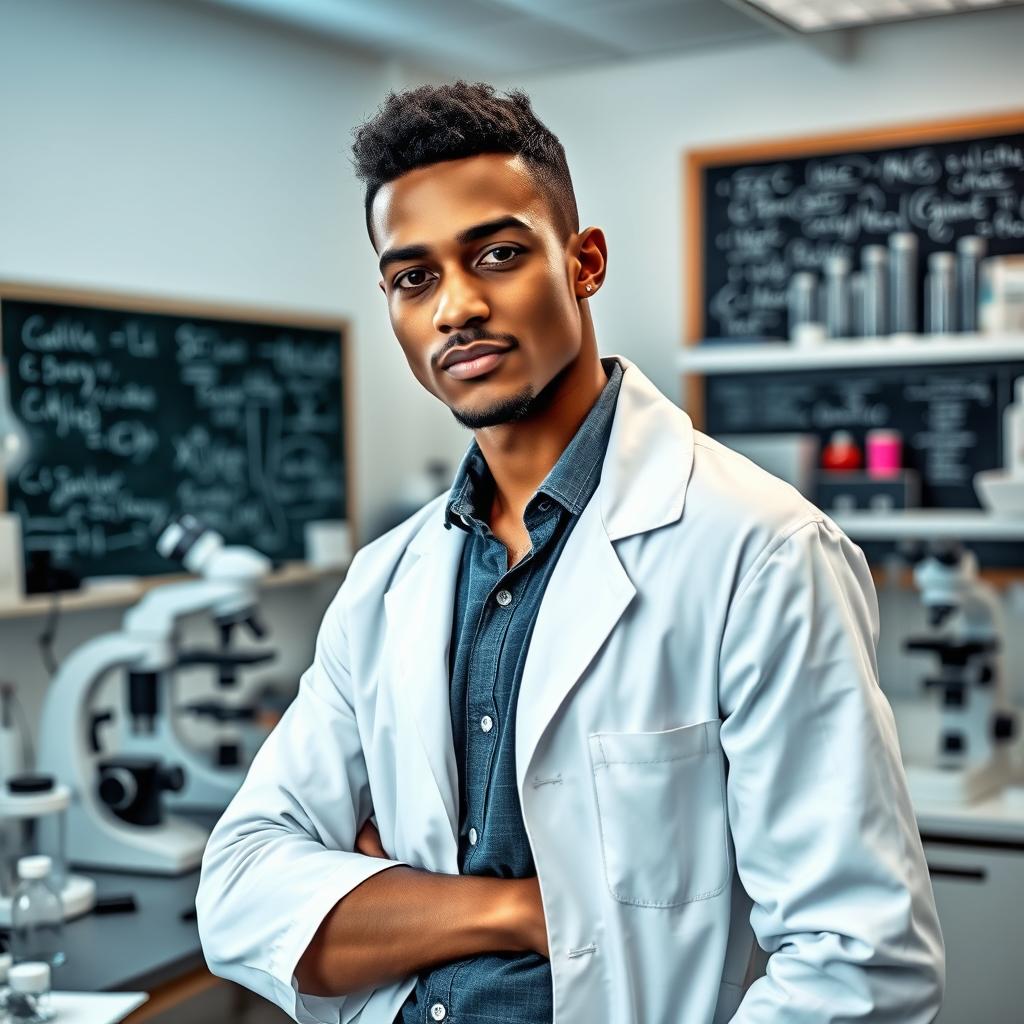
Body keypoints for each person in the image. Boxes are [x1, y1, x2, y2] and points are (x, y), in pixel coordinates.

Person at [196, 81, 944, 1024]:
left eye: (498, 255)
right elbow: (239, 897)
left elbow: (859, 963)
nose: (455, 308)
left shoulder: (759, 550)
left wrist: (395, 895)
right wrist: (518, 909)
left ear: (584, 263)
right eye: (413, 277)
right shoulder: (386, 581)